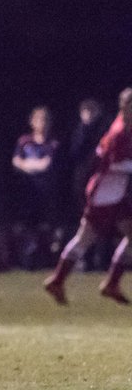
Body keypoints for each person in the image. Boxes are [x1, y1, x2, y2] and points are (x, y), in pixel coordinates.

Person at [44, 87, 132, 305]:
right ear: (126, 107)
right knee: (85, 239)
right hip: (104, 195)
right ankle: (58, 279)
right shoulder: (118, 132)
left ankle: (110, 283)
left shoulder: (126, 128)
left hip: (115, 194)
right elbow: (109, 163)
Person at [9, 106, 62, 270]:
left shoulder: (53, 143)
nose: (42, 123)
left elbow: (46, 164)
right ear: (32, 122)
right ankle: (27, 260)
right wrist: (30, 165)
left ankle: (46, 259)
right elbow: (16, 161)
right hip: (27, 192)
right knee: (27, 226)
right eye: (39, 120)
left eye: (45, 120)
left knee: (46, 226)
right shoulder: (24, 141)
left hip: (46, 192)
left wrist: (28, 165)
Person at [67, 98, 112, 271]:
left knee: (105, 220)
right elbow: (75, 152)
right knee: (86, 221)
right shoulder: (80, 131)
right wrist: (85, 128)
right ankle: (84, 258)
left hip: (102, 178)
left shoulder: (105, 129)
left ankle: (102, 258)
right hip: (83, 181)